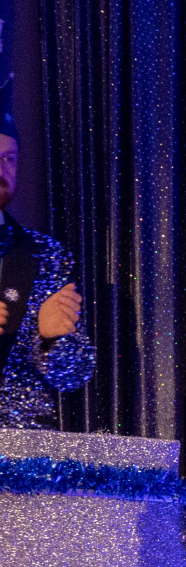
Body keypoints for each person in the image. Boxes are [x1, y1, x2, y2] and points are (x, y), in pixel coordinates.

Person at [0, 125, 95, 428]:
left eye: (9, 158)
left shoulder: (46, 253)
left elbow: (75, 374)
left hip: (23, 443)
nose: (1, 169)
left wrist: (50, 340)